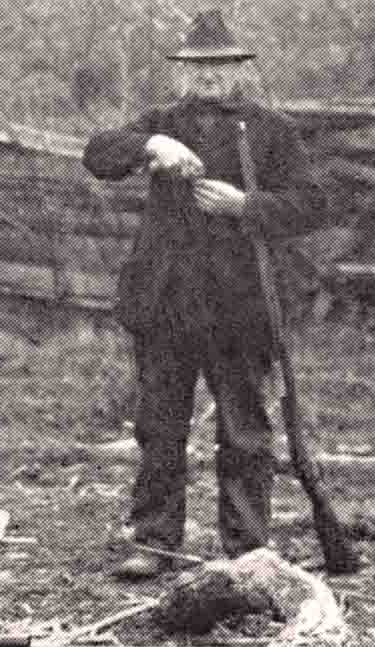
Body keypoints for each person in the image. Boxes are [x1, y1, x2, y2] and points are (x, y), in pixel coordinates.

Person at [83, 10, 328, 579]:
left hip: (241, 309)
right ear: (182, 73)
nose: (208, 76)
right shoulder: (162, 122)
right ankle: (155, 542)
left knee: (244, 431)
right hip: (166, 305)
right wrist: (153, 144)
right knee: (159, 427)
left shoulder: (272, 130)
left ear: (240, 69)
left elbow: (315, 203)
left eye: (219, 65)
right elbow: (98, 154)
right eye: (197, 66)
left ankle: (246, 549)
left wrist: (249, 207)